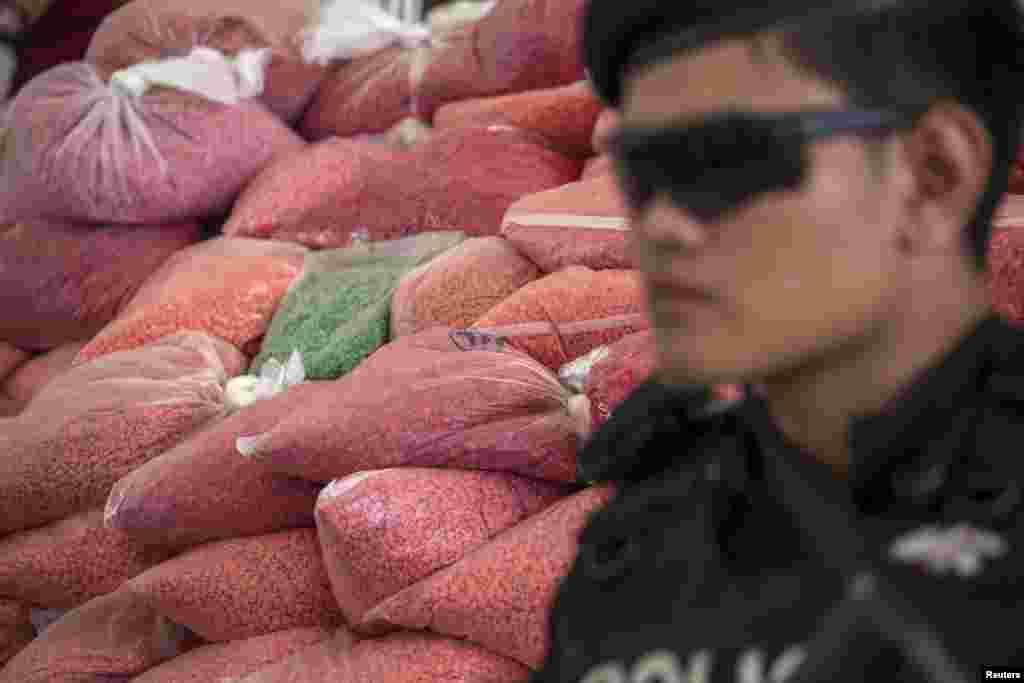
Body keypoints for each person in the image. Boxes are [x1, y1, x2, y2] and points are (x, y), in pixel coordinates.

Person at [531, 0, 1024, 681]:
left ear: (935, 175)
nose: (664, 225)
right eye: (644, 172)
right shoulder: (639, 555)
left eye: (729, 160)